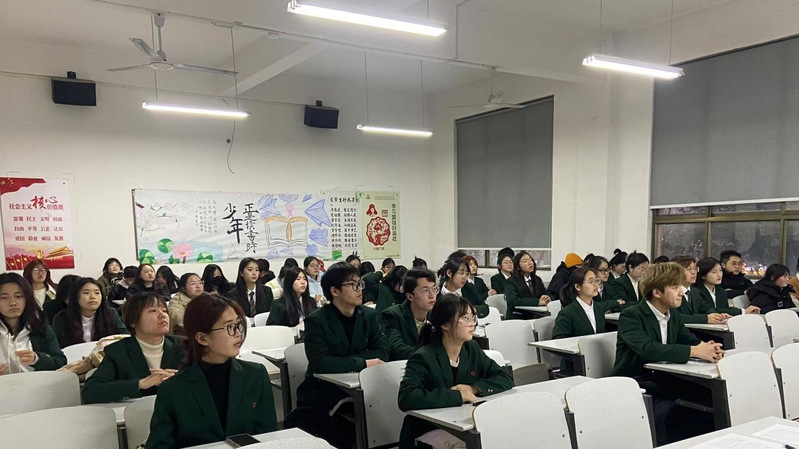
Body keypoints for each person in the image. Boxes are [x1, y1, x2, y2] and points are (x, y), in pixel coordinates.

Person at [610, 262, 723, 444]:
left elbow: (687, 338)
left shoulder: (673, 314)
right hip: (636, 378)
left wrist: (708, 347)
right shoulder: (632, 315)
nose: (682, 292)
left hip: (664, 376)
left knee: (711, 397)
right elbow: (648, 349)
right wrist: (696, 351)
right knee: (673, 406)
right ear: (657, 292)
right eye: (675, 287)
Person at [146, 294, 276, 448]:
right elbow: (160, 445)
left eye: (239, 325)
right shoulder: (173, 389)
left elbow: (268, 436)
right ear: (202, 338)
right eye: (229, 327)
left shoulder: (256, 375)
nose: (238, 333)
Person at [285, 262, 387, 448]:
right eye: (353, 285)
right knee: (344, 427)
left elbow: (382, 352)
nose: (359, 289)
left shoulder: (369, 315)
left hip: (362, 385)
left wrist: (344, 361)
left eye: (360, 284)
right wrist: (363, 362)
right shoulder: (316, 320)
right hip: (323, 389)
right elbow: (320, 362)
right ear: (334, 291)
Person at [397, 294, 513, 448]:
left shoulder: (471, 348)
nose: (472, 324)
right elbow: (406, 397)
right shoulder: (423, 356)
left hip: (461, 424)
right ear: (445, 325)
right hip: (427, 430)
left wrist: (473, 388)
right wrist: (457, 396)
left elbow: (505, 377)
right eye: (465, 318)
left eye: (473, 318)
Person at [83, 292, 185, 404]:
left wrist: (181, 380)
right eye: (153, 310)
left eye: (164, 311)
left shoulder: (184, 346)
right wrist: (140, 384)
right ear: (133, 321)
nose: (162, 315)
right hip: (135, 412)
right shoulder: (118, 351)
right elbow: (90, 392)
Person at [0, 273, 66, 374]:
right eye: (4, 298)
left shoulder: (40, 328)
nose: (12, 303)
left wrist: (37, 358)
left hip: (36, 383)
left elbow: (61, 362)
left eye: (18, 296)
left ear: (27, 298)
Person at [552, 267, 613, 374]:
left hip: (597, 361)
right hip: (575, 365)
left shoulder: (599, 308)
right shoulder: (567, 312)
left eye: (596, 281)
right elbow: (558, 341)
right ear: (578, 287)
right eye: (590, 281)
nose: (596, 285)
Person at [52, 277, 128, 348]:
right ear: (76, 296)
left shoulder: (111, 314)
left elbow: (124, 336)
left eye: (97, 293)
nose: (93, 297)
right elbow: (57, 347)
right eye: (86, 293)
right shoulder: (61, 319)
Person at [382, 268, 438, 361]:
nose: (432, 295)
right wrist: (431, 355)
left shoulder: (437, 315)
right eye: (425, 290)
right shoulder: (392, 315)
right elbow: (396, 349)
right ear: (410, 296)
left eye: (434, 289)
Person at [671, 256, 730, 325]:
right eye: (689, 269)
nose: (693, 272)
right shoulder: (672, 292)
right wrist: (705, 318)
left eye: (695, 269)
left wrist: (718, 316)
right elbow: (674, 316)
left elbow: (705, 308)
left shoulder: (694, 291)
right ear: (676, 272)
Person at [694, 257, 760, 316]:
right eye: (714, 272)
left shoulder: (721, 291)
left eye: (720, 271)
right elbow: (711, 310)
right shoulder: (696, 291)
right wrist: (743, 311)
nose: (719, 275)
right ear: (703, 276)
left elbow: (725, 309)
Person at [503, 251, 551, 318]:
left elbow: (545, 293)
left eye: (531, 260)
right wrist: (537, 302)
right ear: (518, 267)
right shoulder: (511, 282)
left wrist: (547, 298)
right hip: (518, 316)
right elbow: (513, 301)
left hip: (537, 315)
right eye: (525, 261)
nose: (530, 263)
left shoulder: (537, 279)